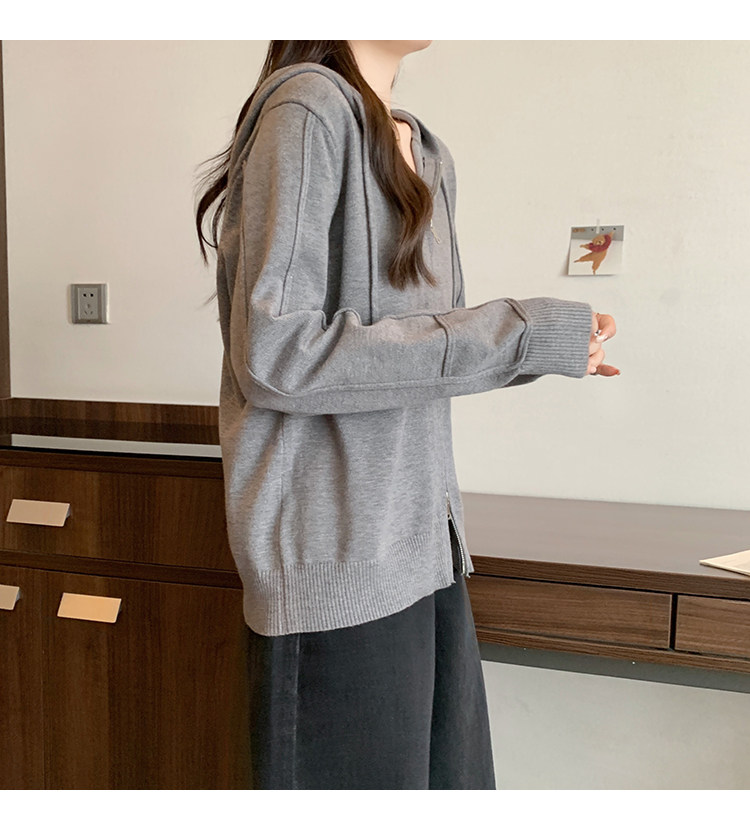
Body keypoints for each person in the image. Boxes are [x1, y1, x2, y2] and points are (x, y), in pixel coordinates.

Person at [195, 40, 619, 790]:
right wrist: (516, 334)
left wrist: (535, 347)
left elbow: (423, 356)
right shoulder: (306, 107)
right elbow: (275, 355)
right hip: (336, 573)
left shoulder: (425, 149)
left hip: (427, 557)